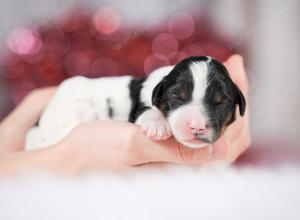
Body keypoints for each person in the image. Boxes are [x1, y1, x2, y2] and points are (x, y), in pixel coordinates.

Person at [0, 55, 251, 175]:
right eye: (180, 98)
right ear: (159, 94)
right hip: (77, 102)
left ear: (237, 105)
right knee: (46, 139)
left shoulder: (171, 86)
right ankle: (35, 145)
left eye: (219, 103)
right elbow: (142, 113)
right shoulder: (154, 90)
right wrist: (61, 158)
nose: (198, 124)